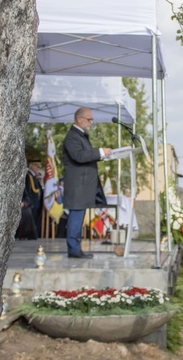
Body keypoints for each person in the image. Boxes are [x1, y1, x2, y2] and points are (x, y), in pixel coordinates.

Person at [62, 107, 111, 259]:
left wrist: (101, 155)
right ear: (79, 119)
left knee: (78, 216)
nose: (91, 122)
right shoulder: (72, 137)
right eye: (89, 119)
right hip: (78, 185)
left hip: (82, 186)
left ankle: (76, 248)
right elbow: (79, 156)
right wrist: (100, 152)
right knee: (76, 217)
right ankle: (74, 249)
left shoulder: (81, 136)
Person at [25, 160, 44, 237]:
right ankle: (31, 235)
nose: (38, 169)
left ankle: (35, 234)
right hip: (32, 201)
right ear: (32, 166)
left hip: (37, 201)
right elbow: (28, 189)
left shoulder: (34, 176)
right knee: (32, 220)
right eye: (37, 167)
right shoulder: (28, 176)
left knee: (36, 219)